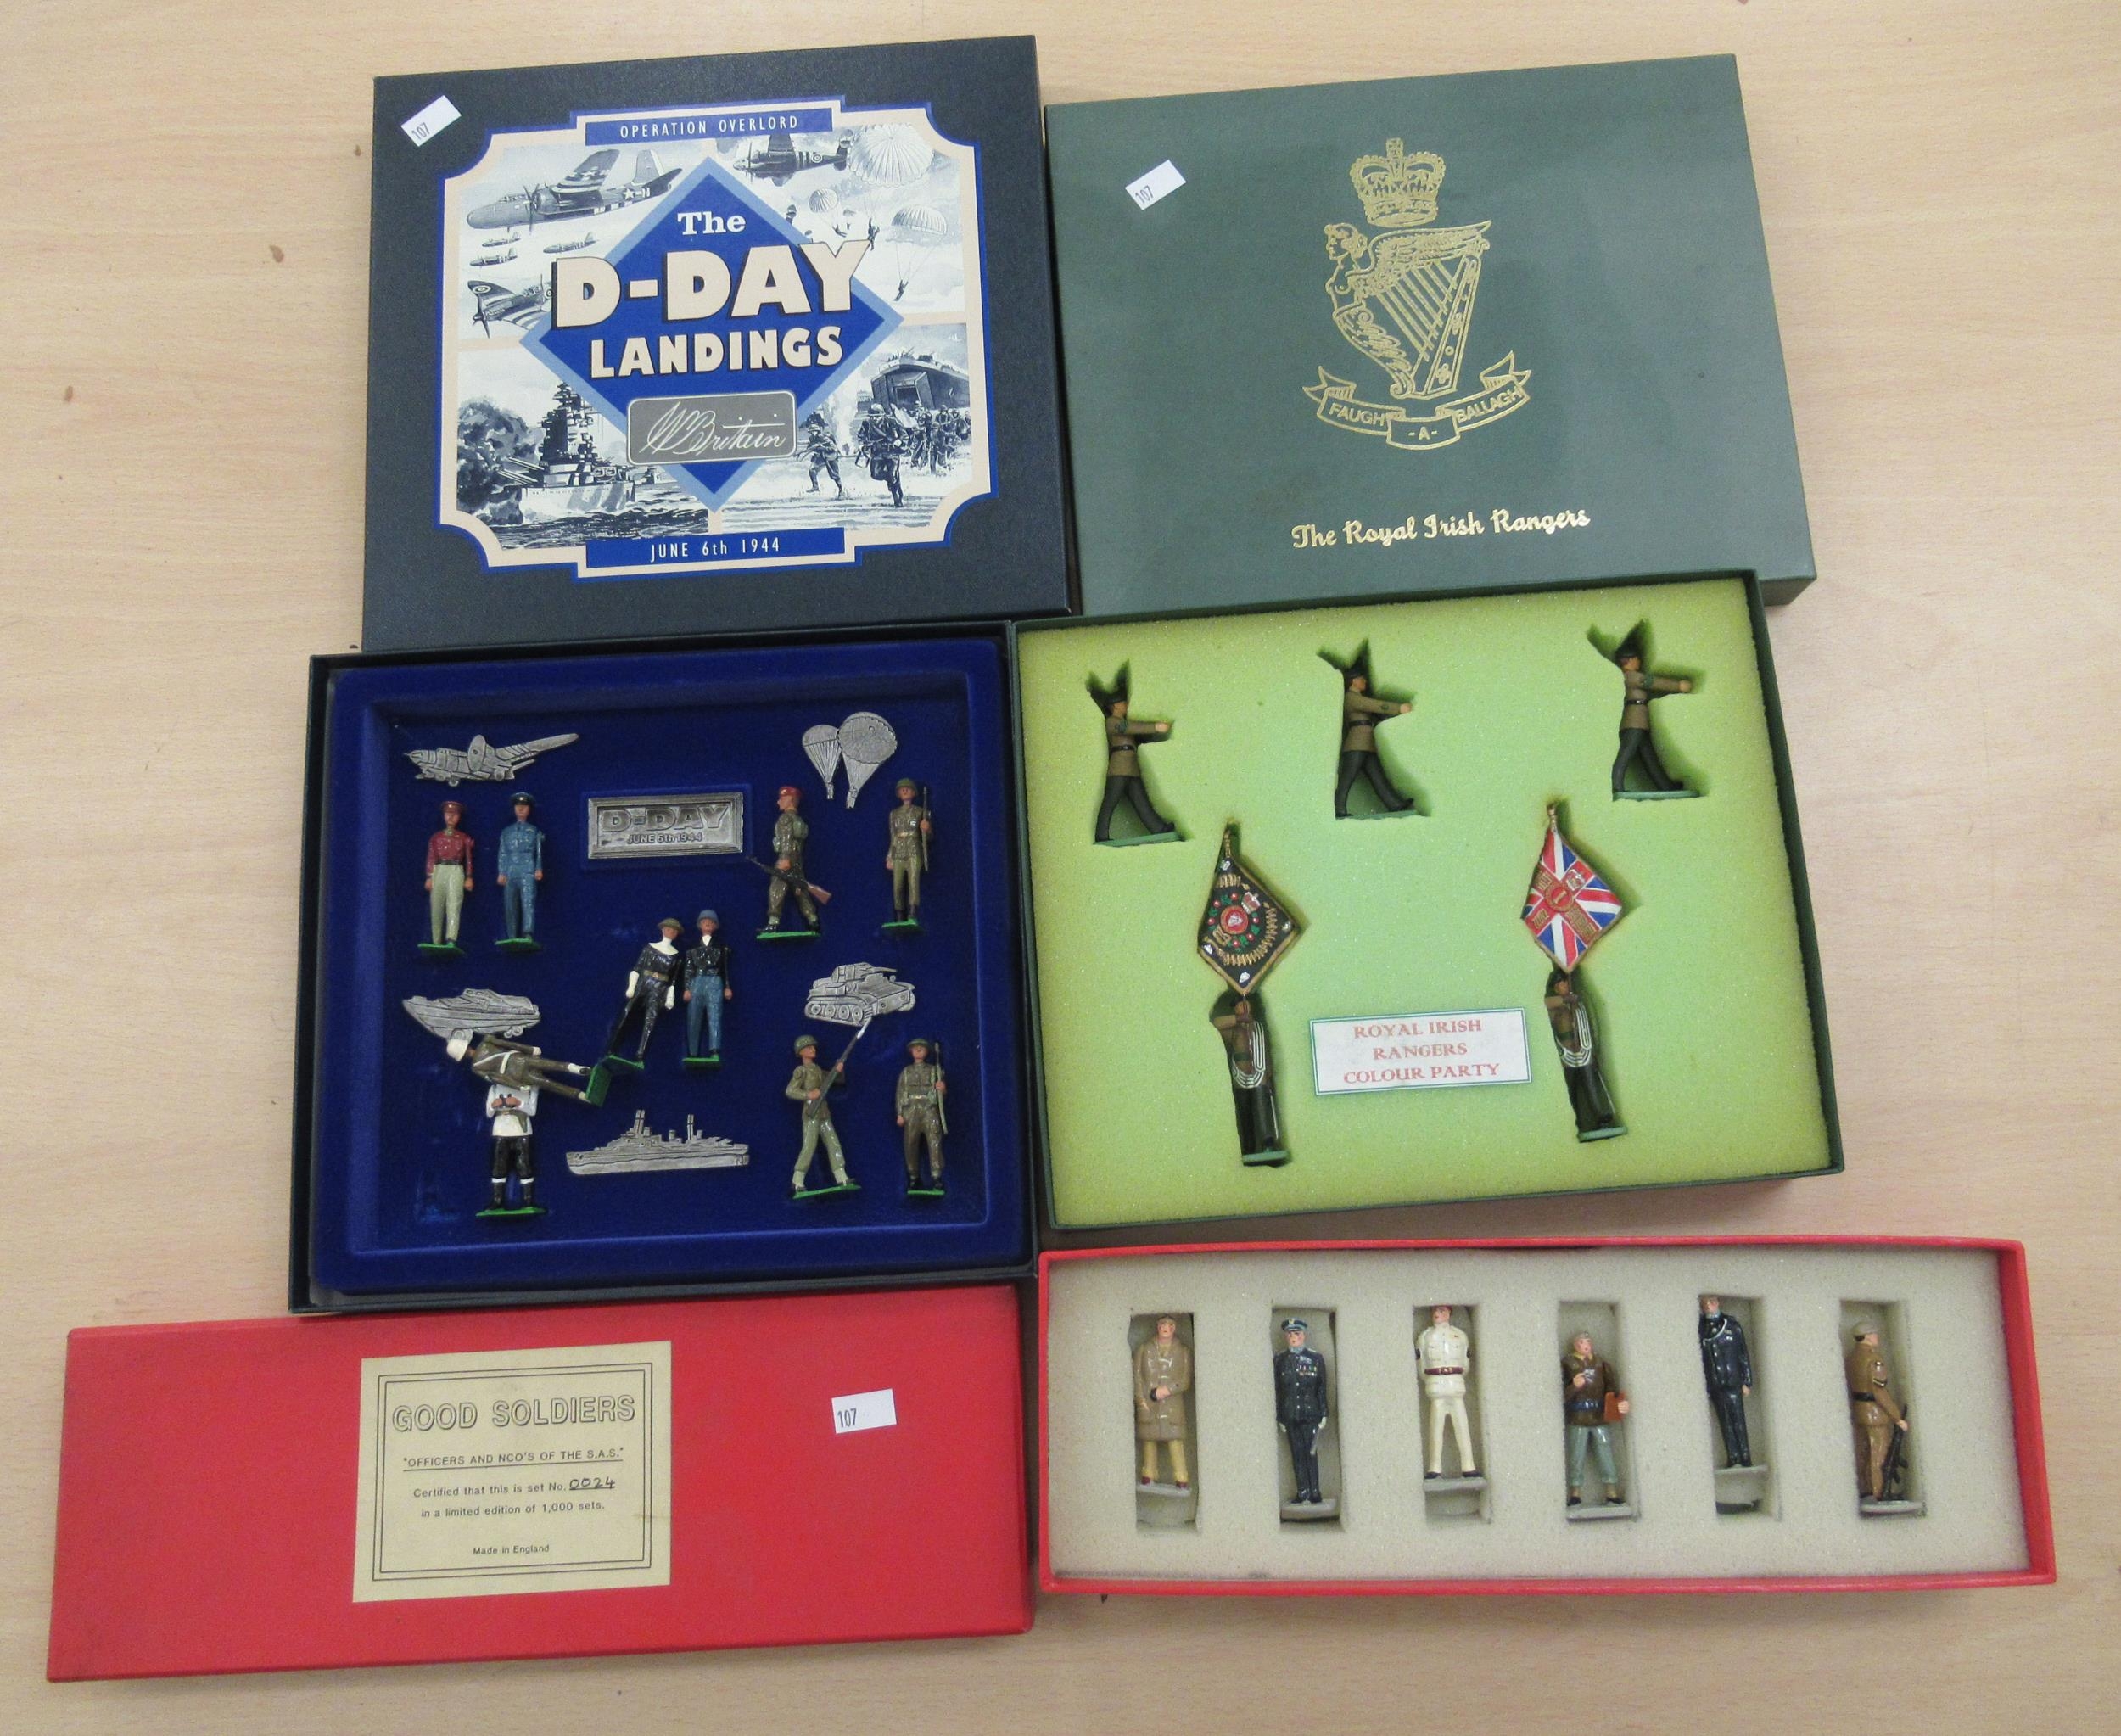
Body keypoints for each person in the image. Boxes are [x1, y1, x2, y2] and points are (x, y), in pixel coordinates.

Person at [1610, 633, 1695, 797]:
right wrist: (1678, 685)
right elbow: (1653, 682)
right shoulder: (1632, 677)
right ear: (1629, 661)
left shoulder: (1631, 677)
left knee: (1650, 759)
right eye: (1636, 659)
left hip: (1640, 722)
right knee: (1626, 754)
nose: (1639, 662)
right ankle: (1617, 786)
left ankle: (1666, 787)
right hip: (1633, 722)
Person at [1544, 969, 1625, 1140]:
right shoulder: (1556, 1004)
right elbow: (1549, 1003)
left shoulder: (1578, 1003)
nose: (1565, 986)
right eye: (1561, 984)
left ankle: (1600, 1116)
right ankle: (1580, 1120)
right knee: (1572, 1089)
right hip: (1567, 1056)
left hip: (1585, 1051)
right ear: (1555, 988)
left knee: (1591, 1084)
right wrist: (1567, 999)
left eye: (1566, 983)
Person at [1210, 994, 1285, 1162]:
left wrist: (1269, 1073)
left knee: (1262, 1107)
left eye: (1246, 1005)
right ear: (1234, 1009)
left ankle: (1267, 1142)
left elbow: (1266, 1050)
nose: (1244, 1008)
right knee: (1245, 1112)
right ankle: (1248, 1145)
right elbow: (1216, 1024)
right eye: (1240, 1006)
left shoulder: (1259, 1027)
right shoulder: (1233, 1029)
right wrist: (1237, 1019)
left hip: (1260, 1074)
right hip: (1240, 1077)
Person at [1334, 669, 1415, 817]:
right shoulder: (1352, 697)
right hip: (1357, 744)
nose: (1365, 681)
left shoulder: (1357, 697)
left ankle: (1394, 804)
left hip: (1367, 743)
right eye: (1362, 678)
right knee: (1347, 778)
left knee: (1377, 776)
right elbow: (1373, 705)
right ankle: (1339, 809)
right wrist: (1399, 708)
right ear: (1354, 681)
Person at [1563, 1330, 1630, 1507]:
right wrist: (1574, 1387)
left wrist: (1620, 1404)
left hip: (1599, 1417)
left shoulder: (1601, 1364)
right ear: (1575, 1345)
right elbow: (1561, 1395)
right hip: (1578, 1417)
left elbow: (1612, 1390)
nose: (1585, 1345)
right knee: (1577, 1455)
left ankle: (1611, 1492)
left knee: (1605, 1452)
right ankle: (1575, 1493)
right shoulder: (1568, 1364)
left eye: (1587, 1341)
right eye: (1581, 1342)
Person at [1094, 697, 1175, 842]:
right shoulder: (1112, 722)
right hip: (1119, 766)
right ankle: (1101, 835)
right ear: (1115, 706)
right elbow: (1128, 727)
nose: (1126, 705)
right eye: (1123, 703)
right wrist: (1155, 727)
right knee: (1110, 801)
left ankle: (1158, 828)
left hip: (1131, 765)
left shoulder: (1122, 722)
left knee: (1141, 800)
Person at [604, 919, 683, 1067]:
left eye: (674, 931)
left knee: (650, 1021)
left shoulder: (676, 956)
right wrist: (631, 987)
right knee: (626, 1013)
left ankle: (640, 1056)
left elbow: (673, 980)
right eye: (668, 929)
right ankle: (612, 1048)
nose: (671, 932)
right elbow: (637, 968)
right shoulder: (649, 948)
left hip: (660, 987)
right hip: (643, 983)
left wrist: (670, 997)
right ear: (663, 930)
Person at [1846, 1321, 1909, 1502]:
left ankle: (1866, 1489)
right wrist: (1897, 1418)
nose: (1876, 1337)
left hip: (1858, 1411)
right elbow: (1879, 1393)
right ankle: (1879, 1493)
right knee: (1879, 1454)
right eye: (1873, 1334)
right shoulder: (1874, 1360)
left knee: (1863, 1453)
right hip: (1874, 1413)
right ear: (1867, 1337)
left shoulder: (1852, 1358)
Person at [786, 1033, 854, 1195]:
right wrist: (808, 1094)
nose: (813, 1049)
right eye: (809, 1048)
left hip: (823, 1112)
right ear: (801, 1052)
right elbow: (790, 1091)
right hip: (811, 1112)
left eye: (813, 1047)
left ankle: (842, 1177)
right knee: (809, 1146)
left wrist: (838, 1070)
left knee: (833, 1143)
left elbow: (835, 1079)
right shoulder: (801, 1071)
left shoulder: (817, 1069)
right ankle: (797, 1181)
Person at [1417, 1304, 1478, 1479]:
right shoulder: (1425, 1337)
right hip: (1436, 1385)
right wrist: (1431, 1379)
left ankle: (1468, 1466)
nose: (1437, 1314)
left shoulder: (1460, 1336)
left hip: (1455, 1385)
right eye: (1435, 1311)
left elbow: (1465, 1364)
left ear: (1449, 1313)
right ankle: (1434, 1467)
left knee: (1462, 1428)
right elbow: (1421, 1365)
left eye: (1441, 1311)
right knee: (1436, 1430)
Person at [1273, 1319, 1329, 1505]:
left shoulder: (1315, 1359)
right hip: (1291, 1415)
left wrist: (1323, 1413)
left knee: (1311, 1453)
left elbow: (1321, 1388)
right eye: (1290, 1334)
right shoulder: (1280, 1360)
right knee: (1297, 1455)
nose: (1293, 1338)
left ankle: (1315, 1492)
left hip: (1311, 1414)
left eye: (1296, 1334)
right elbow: (1279, 1391)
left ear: (1304, 1335)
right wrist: (1280, 1416)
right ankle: (1302, 1491)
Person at [1133, 1317, 1192, 1490]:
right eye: (1162, 1325)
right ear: (1158, 1327)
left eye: (1169, 1326)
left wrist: (1167, 1390)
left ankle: (1181, 1477)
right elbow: (1137, 1377)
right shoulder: (1144, 1349)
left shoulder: (1183, 1351)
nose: (1166, 1328)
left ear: (1174, 1328)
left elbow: (1185, 1380)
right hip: (1149, 1403)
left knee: (1175, 1439)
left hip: (1172, 1405)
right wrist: (1141, 1400)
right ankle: (1149, 1473)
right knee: (1149, 1439)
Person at [1698, 1296, 1755, 1469]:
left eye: (1711, 1302)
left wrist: (1747, 1381)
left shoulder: (1732, 1326)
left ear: (1717, 1303)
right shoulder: (1702, 1329)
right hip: (1716, 1384)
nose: (1709, 1307)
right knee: (1725, 1423)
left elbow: (1742, 1355)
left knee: (1738, 1420)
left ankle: (1745, 1456)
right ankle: (1733, 1456)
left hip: (1733, 1381)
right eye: (1705, 1304)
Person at [764, 786, 820, 935]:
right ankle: (812, 919)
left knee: (777, 887)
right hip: (797, 859)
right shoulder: (799, 820)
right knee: (800, 889)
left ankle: (773, 922)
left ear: (789, 800)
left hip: (786, 857)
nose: (778, 802)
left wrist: (785, 858)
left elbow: (786, 839)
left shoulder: (785, 818)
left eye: (781, 799)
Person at [895, 1037, 946, 1194]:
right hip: (911, 1110)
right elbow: (900, 1093)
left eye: (922, 1048)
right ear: (911, 1051)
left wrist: (942, 1088)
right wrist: (900, 1114)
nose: (918, 1050)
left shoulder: (934, 1071)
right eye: (915, 1048)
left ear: (927, 1052)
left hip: (929, 1109)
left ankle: (936, 1177)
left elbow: (942, 1094)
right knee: (910, 1143)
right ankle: (914, 1177)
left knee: (934, 1142)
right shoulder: (906, 1072)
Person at [681, 910, 734, 1063]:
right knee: (693, 1017)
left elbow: (725, 968)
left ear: (715, 925)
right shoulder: (692, 947)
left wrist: (727, 986)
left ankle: (714, 1050)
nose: (708, 924)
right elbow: (688, 969)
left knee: (715, 1016)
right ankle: (693, 1052)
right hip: (697, 981)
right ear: (700, 925)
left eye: (711, 922)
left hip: (714, 980)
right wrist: (687, 988)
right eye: (705, 921)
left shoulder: (721, 946)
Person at [423, 799, 475, 949]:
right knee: (436, 905)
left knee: (454, 904)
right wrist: (429, 876)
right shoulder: (436, 838)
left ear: (459, 817)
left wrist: (469, 877)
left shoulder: (464, 838)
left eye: (454, 814)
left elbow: (468, 859)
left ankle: (451, 938)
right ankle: (436, 940)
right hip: (439, 869)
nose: (451, 817)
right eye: (448, 814)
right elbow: (431, 857)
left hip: (455, 869)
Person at [494, 792, 544, 944]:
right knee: (510, 903)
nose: (521, 809)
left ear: (529, 809)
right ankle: (512, 934)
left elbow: (538, 852)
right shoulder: (506, 832)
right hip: (511, 869)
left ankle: (527, 932)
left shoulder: (534, 831)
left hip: (527, 867)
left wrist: (538, 868)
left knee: (528, 901)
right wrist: (502, 872)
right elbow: (503, 852)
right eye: (518, 806)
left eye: (524, 807)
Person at [885, 778, 931, 925]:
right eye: (902, 789)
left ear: (913, 792)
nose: (904, 791)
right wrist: (890, 857)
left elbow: (928, 838)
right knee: (897, 886)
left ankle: (912, 915)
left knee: (913, 884)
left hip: (913, 850)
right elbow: (893, 836)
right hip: (899, 851)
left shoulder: (920, 812)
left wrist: (927, 829)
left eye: (907, 788)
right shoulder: (894, 814)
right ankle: (899, 916)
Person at [803, 412, 844, 498]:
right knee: (812, 470)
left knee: (834, 475)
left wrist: (822, 448)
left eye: (814, 431)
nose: (812, 433)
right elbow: (810, 447)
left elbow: (834, 448)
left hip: (831, 457)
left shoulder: (824, 437)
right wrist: (810, 448)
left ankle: (841, 490)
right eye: (811, 432)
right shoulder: (812, 438)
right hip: (821, 457)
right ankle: (815, 486)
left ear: (817, 431)